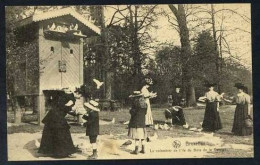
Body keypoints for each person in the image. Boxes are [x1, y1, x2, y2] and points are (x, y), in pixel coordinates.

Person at [38, 88, 77, 158]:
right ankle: (62, 153)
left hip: (51, 116)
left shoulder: (58, 97)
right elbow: (64, 107)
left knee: (50, 133)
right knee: (63, 133)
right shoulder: (70, 99)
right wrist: (73, 111)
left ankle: (50, 151)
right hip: (57, 117)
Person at [140, 77, 157, 142]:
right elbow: (144, 96)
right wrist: (150, 95)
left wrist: (152, 95)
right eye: (148, 85)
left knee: (148, 111)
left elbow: (147, 96)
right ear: (146, 84)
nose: (148, 86)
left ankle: (147, 122)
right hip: (145, 101)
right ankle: (145, 122)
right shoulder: (143, 89)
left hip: (147, 101)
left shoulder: (145, 89)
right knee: (146, 112)